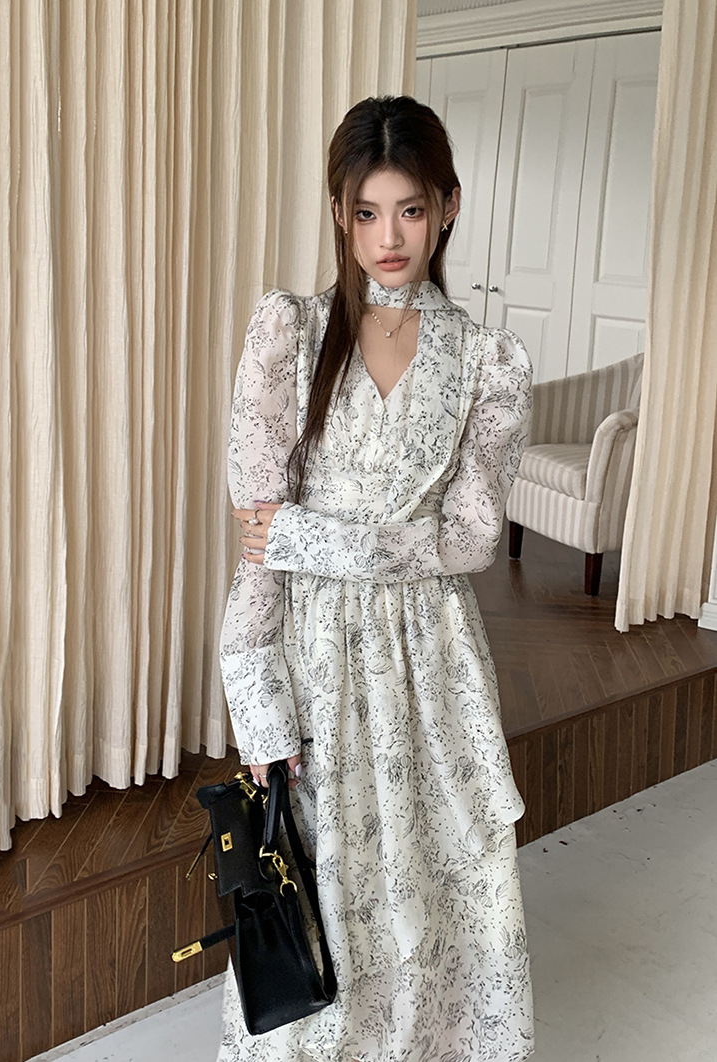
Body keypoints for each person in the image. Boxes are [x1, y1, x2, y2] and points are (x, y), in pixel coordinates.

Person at [218, 95, 534, 1062]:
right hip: (315, 663)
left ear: (447, 207)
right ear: (339, 214)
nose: (388, 238)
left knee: (442, 879)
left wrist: (319, 540)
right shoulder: (291, 334)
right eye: (365, 212)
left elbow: (472, 540)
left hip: (434, 668)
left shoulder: (487, 360)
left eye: (409, 209)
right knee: (322, 882)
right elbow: (257, 555)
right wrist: (258, 712)